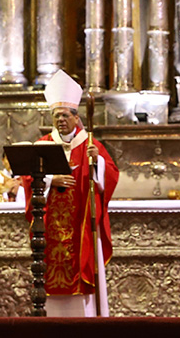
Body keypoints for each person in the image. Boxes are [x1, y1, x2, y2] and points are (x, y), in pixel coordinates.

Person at [21, 69, 119, 317]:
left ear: (76, 118)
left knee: (81, 265)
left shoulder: (90, 145)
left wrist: (98, 164)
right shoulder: (43, 145)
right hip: (49, 225)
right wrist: (52, 180)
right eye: (56, 115)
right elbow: (28, 177)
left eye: (65, 115)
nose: (60, 120)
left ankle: (85, 320)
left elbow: (112, 175)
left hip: (80, 226)